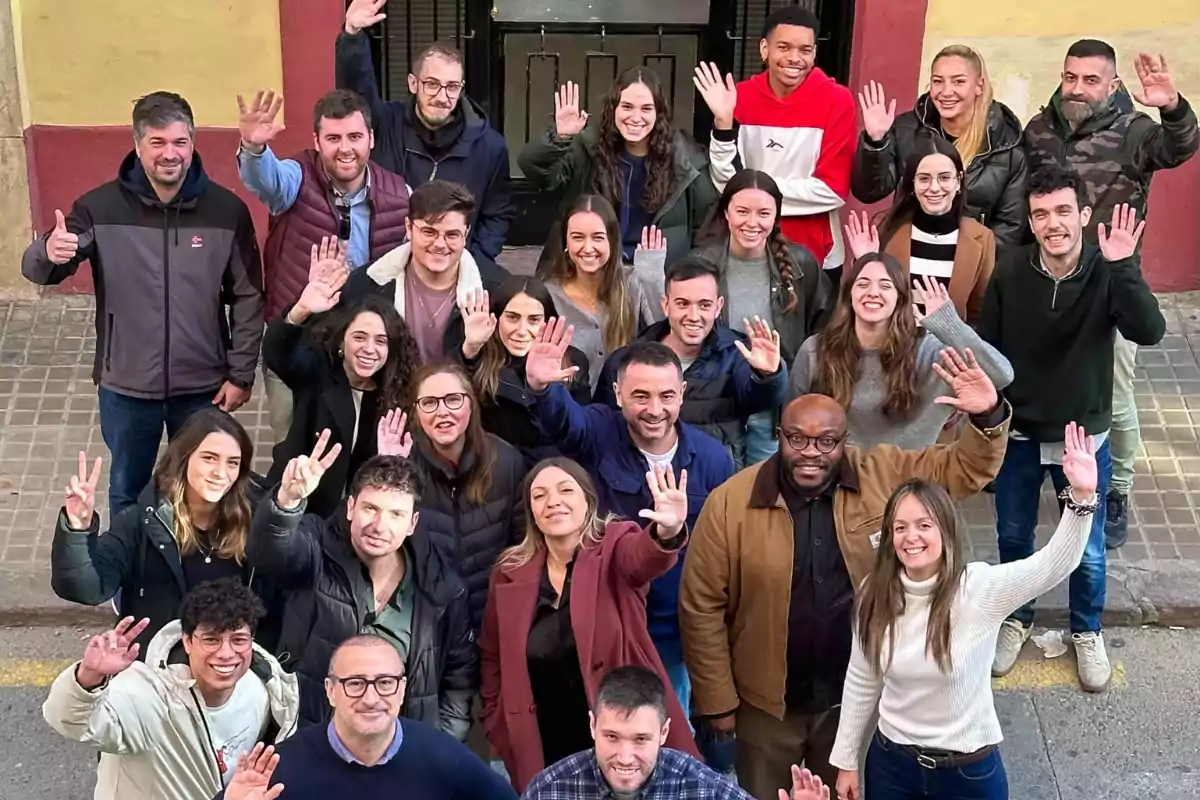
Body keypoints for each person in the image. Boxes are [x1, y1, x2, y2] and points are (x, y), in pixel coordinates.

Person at [680, 352, 1011, 798]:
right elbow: (701, 606)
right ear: (779, 436)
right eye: (797, 439)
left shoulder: (883, 474)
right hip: (765, 711)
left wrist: (987, 417)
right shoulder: (729, 504)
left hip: (854, 706)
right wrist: (717, 704)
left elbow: (962, 469)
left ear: (845, 441)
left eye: (826, 442)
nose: (810, 454)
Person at [21, 91, 264, 516]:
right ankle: (125, 579)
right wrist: (47, 250)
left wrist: (241, 373)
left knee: (202, 494)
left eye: (180, 142)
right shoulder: (98, 208)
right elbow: (42, 270)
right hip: (126, 388)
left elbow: (247, 297)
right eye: (158, 143)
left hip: (202, 388)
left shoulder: (227, 212)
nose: (170, 154)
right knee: (127, 492)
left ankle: (194, 578)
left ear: (192, 143)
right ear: (138, 145)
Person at [830, 425, 1098, 800]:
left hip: (967, 772)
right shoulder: (871, 593)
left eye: (925, 525)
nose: (912, 538)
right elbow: (862, 677)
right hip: (891, 765)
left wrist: (1081, 499)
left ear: (946, 531)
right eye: (901, 527)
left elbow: (1052, 566)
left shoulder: (979, 589)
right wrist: (846, 761)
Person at [980, 166, 1166, 693]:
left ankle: (1088, 631)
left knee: (1088, 548)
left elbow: (1150, 331)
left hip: (1083, 439)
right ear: (1032, 221)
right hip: (1019, 435)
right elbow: (989, 351)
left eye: (1063, 211)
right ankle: (1017, 620)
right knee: (1015, 538)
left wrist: (1125, 266)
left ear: (1084, 216)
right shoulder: (1011, 270)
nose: (1052, 224)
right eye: (1041, 214)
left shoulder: (1106, 271)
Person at [1023, 42, 1199, 550]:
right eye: (1070, 77)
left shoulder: (1134, 132)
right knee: (1043, 376)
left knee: (1115, 395)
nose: (1077, 89)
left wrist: (1171, 107)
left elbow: (1178, 147)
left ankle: (1117, 487)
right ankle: (1048, 469)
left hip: (1109, 286)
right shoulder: (1041, 130)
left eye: (1091, 80)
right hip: (1049, 281)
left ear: (1113, 86)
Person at [525, 324, 736, 719]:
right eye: (640, 396)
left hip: (674, 631)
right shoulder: (599, 433)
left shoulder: (713, 459)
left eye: (666, 396)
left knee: (668, 731)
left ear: (682, 395)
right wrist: (542, 388)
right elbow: (565, 421)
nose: (655, 409)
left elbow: (722, 551)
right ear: (619, 395)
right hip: (605, 620)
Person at [479, 459, 700, 792]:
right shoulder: (510, 571)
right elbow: (493, 655)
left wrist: (666, 532)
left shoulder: (614, 545)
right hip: (544, 742)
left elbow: (643, 558)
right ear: (532, 513)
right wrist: (501, 725)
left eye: (565, 490)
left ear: (588, 501)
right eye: (539, 496)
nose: (553, 501)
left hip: (622, 738)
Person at [248, 446, 476, 735]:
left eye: (396, 514)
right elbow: (271, 554)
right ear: (350, 507)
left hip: (402, 753)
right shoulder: (317, 547)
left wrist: (441, 748)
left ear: (412, 524)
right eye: (371, 509)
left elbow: (458, 681)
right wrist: (288, 500)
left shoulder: (443, 587)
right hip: (311, 736)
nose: (380, 526)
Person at [236, 88, 410, 441]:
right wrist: (254, 149)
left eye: (354, 137)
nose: (345, 148)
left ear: (371, 139)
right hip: (298, 339)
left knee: (356, 444)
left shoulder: (399, 193)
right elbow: (266, 179)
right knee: (292, 441)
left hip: (361, 347)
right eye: (333, 138)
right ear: (316, 140)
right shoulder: (296, 179)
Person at [43, 579, 299, 800]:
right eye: (211, 639)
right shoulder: (146, 696)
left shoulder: (261, 689)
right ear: (187, 642)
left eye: (238, 640)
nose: (225, 653)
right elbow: (69, 720)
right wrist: (90, 675)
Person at [50, 408, 280, 654]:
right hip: (161, 669)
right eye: (209, 458)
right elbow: (87, 587)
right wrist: (77, 527)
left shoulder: (259, 518)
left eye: (232, 463)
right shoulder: (140, 521)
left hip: (234, 667)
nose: (220, 473)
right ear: (184, 458)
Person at [217, 635, 516, 800]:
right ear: (331, 691)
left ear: (402, 690)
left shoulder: (443, 758)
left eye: (385, 683)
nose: (371, 699)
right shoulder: (279, 770)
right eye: (355, 683)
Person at [337, 0, 513, 271]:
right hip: (387, 264)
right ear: (413, 83)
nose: (442, 97)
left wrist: (472, 260)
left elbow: (497, 215)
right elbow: (355, 95)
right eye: (432, 84)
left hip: (455, 267)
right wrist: (352, 36)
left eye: (452, 87)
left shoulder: (490, 146)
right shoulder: (385, 124)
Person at [263, 238, 421, 520]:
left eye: (381, 341)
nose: (369, 349)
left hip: (360, 519)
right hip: (301, 507)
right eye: (359, 337)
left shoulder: (397, 394)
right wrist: (302, 308)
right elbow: (278, 353)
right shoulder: (317, 373)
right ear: (342, 341)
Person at [694, 6, 856, 278]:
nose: (794, 58)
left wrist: (755, 196)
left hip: (816, 254)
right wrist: (723, 122)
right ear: (764, 49)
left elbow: (832, 190)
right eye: (784, 47)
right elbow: (725, 184)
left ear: (814, 53)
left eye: (805, 50)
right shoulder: (739, 97)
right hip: (744, 247)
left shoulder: (837, 101)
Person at [791, 254, 1012, 451]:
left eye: (886, 286)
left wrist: (949, 325)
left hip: (910, 482)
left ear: (900, 298)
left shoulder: (930, 352)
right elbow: (791, 420)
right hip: (839, 480)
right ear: (849, 295)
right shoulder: (815, 350)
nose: (873, 292)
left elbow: (1002, 375)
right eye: (863, 284)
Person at [692, 169, 835, 463]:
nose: (752, 222)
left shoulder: (801, 265)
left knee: (762, 497)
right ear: (726, 213)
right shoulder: (700, 264)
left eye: (764, 213)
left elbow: (825, 331)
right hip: (716, 408)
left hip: (772, 410)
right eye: (742, 211)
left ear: (776, 217)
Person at [522, 665, 834, 800]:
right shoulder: (549, 790)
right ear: (592, 726)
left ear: (664, 732)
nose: (625, 757)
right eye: (612, 737)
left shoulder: (700, 786)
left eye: (641, 739)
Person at [594, 254, 790, 468]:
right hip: (639, 480)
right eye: (683, 304)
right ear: (665, 305)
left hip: (714, 482)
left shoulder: (737, 354)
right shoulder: (626, 360)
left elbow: (761, 399)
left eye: (704, 305)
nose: (694, 316)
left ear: (718, 306)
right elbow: (602, 429)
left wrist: (768, 375)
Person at [519, 68, 718, 271]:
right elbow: (535, 169)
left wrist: (688, 275)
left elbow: (707, 228)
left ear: (658, 113)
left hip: (659, 277)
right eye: (627, 107)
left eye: (646, 109)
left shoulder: (684, 157)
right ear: (614, 108)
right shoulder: (589, 146)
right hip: (593, 270)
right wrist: (560, 137)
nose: (635, 117)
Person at [852, 45, 1028, 251]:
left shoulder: (1006, 145)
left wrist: (966, 260)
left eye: (958, 81)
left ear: (979, 85)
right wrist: (876, 142)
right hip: (908, 253)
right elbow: (868, 192)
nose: (946, 92)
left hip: (968, 262)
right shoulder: (908, 129)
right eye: (938, 81)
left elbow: (1010, 226)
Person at [405, 362, 528, 631]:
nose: (442, 412)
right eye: (429, 403)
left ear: (470, 405)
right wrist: (389, 474)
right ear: (416, 411)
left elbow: (523, 546)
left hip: (494, 617)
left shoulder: (506, 461)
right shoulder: (404, 464)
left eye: (453, 400)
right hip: (428, 623)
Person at [339, 179, 507, 364]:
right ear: (409, 228)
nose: (440, 245)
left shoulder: (497, 290)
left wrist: (471, 352)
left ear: (465, 235)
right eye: (429, 232)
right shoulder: (365, 284)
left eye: (452, 235)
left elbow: (505, 374)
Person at [845, 136, 996, 325]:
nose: (934, 188)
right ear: (912, 185)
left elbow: (978, 315)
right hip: (892, 347)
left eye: (944, 178)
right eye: (924, 179)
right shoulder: (885, 228)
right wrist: (865, 261)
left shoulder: (982, 238)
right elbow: (855, 304)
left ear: (958, 182)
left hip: (947, 350)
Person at [458, 277, 592, 465]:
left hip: (556, 469)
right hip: (497, 471)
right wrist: (469, 352)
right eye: (512, 318)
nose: (522, 330)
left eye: (534, 320)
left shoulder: (573, 362)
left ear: (548, 321)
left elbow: (581, 434)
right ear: (496, 319)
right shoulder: (477, 358)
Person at [539, 194, 666, 385]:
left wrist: (653, 281)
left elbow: (663, 336)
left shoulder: (631, 281)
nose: (588, 248)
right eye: (578, 237)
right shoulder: (548, 293)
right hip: (572, 404)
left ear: (612, 241)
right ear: (566, 242)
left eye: (598, 237)